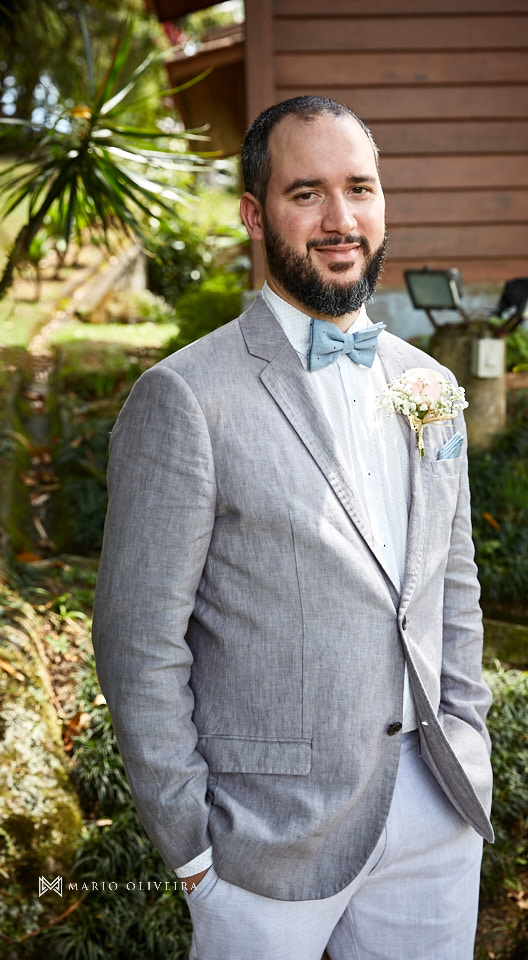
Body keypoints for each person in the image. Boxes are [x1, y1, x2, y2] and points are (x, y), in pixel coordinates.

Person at [92, 95, 493, 960]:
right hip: (261, 847)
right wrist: (193, 848)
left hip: (433, 819)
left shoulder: (428, 380)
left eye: (360, 188)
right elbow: (137, 639)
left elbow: (452, 587)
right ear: (254, 213)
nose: (341, 219)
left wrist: (469, 742)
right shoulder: (187, 397)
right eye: (306, 193)